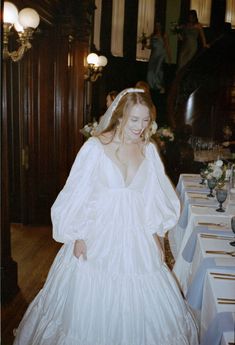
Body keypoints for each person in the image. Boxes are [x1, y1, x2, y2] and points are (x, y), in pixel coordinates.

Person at [13, 88, 199, 345]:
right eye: (134, 119)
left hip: (136, 237)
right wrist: (78, 234)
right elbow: (78, 192)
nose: (140, 127)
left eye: (146, 120)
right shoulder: (96, 147)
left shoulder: (149, 150)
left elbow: (154, 197)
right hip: (97, 232)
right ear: (120, 116)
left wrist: (157, 234)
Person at [146, 22, 172, 94]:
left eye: (159, 25)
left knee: (157, 71)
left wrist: (169, 57)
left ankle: (160, 86)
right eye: (156, 25)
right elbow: (151, 47)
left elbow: (167, 46)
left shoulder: (164, 35)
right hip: (153, 55)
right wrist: (145, 45)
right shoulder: (152, 35)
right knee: (150, 71)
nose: (157, 27)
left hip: (161, 55)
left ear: (161, 26)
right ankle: (151, 86)